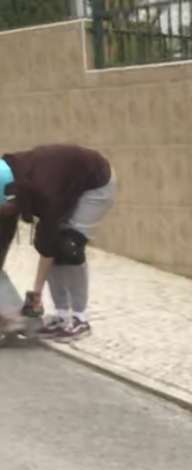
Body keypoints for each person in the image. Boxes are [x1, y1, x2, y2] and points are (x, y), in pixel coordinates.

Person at [0, 144, 115, 340]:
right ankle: (61, 316)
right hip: (66, 185)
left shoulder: (44, 189)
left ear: (11, 196)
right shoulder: (11, 185)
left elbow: (48, 245)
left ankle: (80, 319)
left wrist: (35, 294)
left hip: (95, 183)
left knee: (67, 247)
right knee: (53, 244)